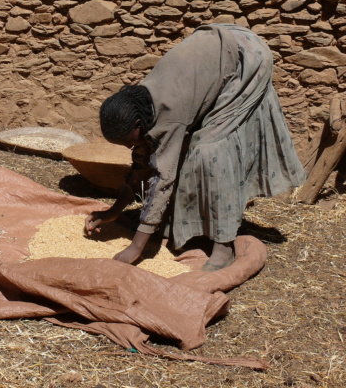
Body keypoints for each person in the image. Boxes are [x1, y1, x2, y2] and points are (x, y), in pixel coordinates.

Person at [84, 23, 306, 271]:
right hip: (219, 48)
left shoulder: (168, 113)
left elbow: (162, 178)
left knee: (208, 152)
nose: (131, 147)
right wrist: (113, 211)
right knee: (188, 147)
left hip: (248, 58)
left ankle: (224, 245)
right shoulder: (141, 105)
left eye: (130, 141)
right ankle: (181, 224)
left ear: (137, 124)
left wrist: (135, 249)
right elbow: (143, 158)